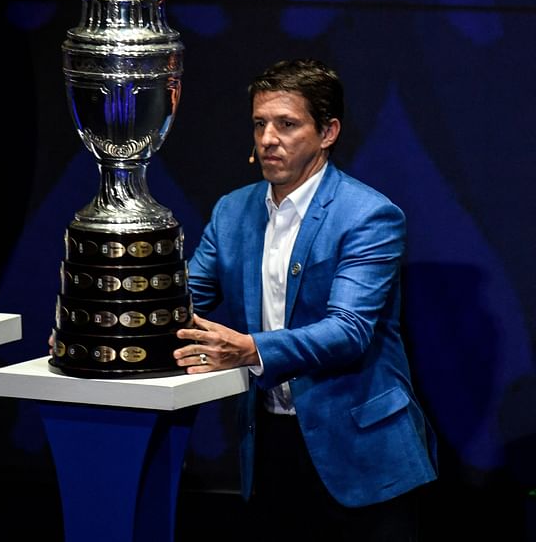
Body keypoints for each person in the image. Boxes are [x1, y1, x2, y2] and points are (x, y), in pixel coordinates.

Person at [173, 58, 437, 541]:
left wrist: (252, 349)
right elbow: (183, 299)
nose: (268, 138)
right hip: (270, 444)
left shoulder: (369, 215)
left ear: (328, 132)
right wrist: (109, 326)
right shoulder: (233, 211)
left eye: (287, 124)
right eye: (260, 124)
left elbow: (349, 330)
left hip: (361, 451)